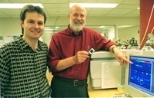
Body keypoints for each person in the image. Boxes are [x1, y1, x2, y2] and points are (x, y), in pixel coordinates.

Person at [47, 4, 132, 98]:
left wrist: (116, 50)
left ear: (85, 18)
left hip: (81, 86)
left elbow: (106, 43)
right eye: (75, 14)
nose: (79, 18)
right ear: (69, 16)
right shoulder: (57, 38)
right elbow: (52, 66)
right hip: (61, 86)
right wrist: (74, 60)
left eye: (82, 15)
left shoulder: (92, 35)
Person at [0, 5, 50, 97]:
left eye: (40, 23)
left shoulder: (44, 48)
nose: (36, 26)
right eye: (31, 22)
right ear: (22, 23)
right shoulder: (6, 52)